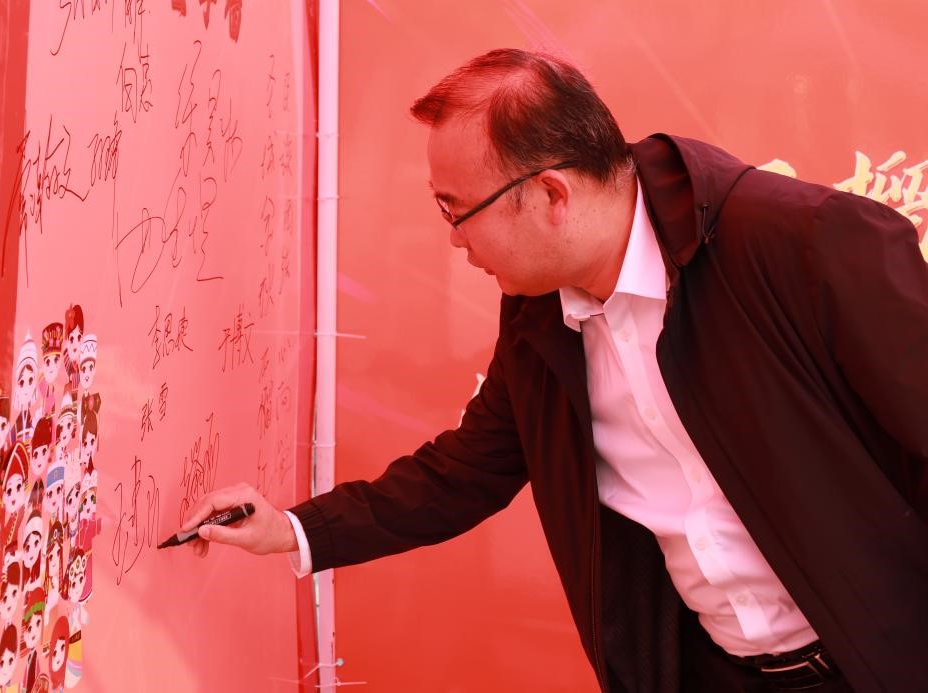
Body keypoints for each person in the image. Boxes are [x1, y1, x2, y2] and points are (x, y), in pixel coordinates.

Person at [182, 49, 928, 692]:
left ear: (550, 194)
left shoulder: (800, 242)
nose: (454, 241)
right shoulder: (540, 318)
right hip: (714, 670)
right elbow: (464, 473)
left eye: (454, 210)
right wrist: (291, 528)